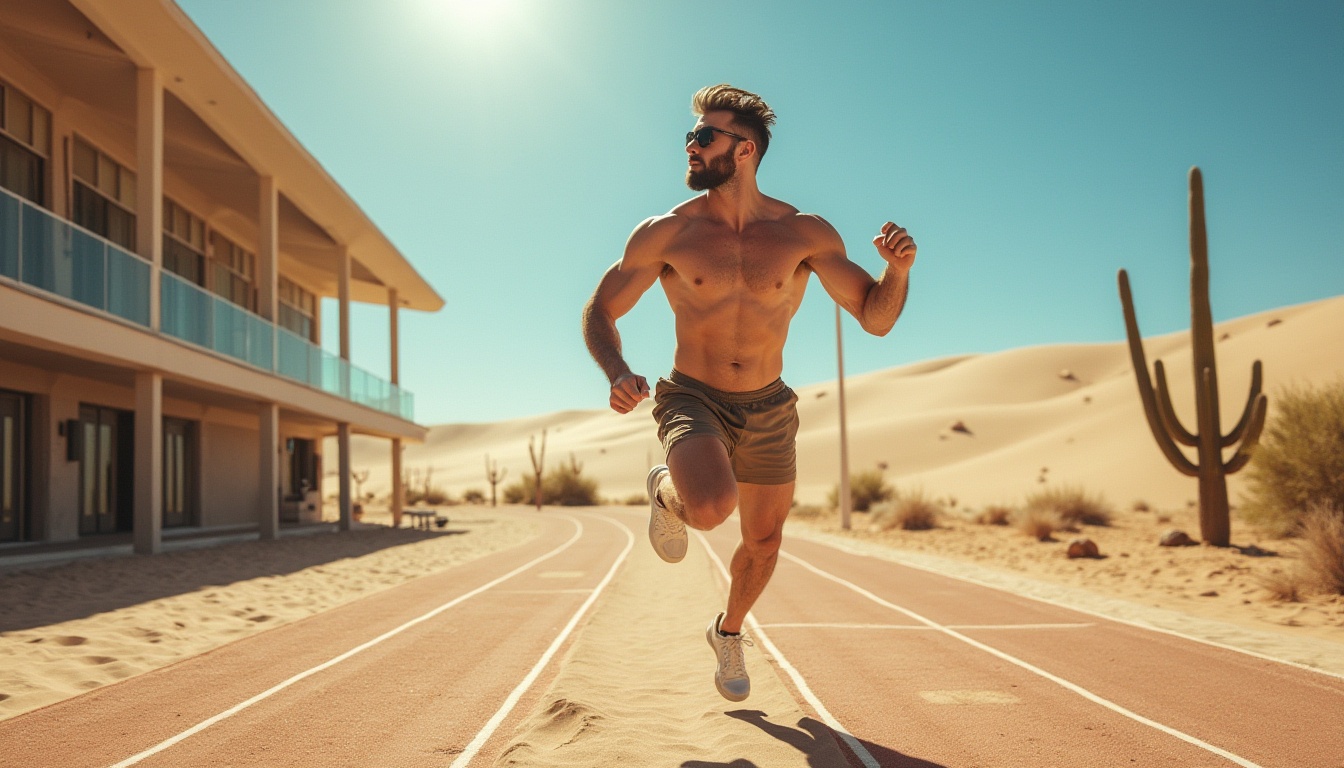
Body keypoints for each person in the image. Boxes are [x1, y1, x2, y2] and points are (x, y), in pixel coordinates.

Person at [581, 84, 917, 702]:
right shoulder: (667, 233)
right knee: (711, 509)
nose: (691, 145)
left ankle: (728, 632)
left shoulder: (803, 232)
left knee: (763, 542)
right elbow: (601, 309)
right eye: (690, 135)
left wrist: (897, 272)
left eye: (704, 135)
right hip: (693, 395)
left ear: (745, 150)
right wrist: (616, 371)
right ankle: (670, 489)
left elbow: (875, 317)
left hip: (768, 404)